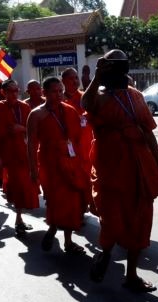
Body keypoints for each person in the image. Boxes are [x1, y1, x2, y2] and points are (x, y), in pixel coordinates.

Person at [82, 49, 158, 292]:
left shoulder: (136, 96)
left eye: (120, 65)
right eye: (113, 66)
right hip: (111, 168)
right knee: (113, 220)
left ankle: (131, 275)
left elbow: (149, 133)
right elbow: (85, 104)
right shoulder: (98, 96)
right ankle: (106, 251)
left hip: (140, 168)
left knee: (140, 221)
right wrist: (98, 76)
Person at [26, 76, 88, 253]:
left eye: (61, 91)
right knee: (55, 200)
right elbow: (31, 144)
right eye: (54, 91)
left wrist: (80, 162)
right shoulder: (36, 114)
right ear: (44, 93)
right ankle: (53, 227)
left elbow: (76, 139)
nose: (59, 94)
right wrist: (33, 170)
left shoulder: (69, 110)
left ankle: (68, 241)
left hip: (71, 162)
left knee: (73, 201)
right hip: (50, 163)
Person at [0, 79, 38, 234]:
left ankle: (20, 217)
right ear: (4, 92)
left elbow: (32, 130)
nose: (14, 94)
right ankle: (19, 218)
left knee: (28, 184)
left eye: (16, 91)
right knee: (17, 186)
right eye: (11, 91)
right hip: (10, 153)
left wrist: (20, 128)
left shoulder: (24, 107)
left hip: (26, 152)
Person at [61, 67, 94, 213]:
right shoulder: (59, 100)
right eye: (71, 78)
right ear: (63, 81)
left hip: (87, 148)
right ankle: (78, 210)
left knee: (90, 180)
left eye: (76, 78)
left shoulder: (85, 97)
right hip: (70, 149)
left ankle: (93, 207)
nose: (75, 81)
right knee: (75, 181)